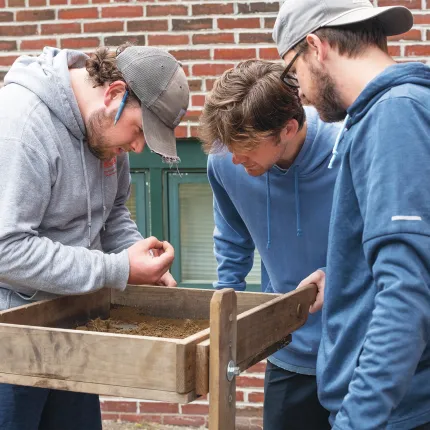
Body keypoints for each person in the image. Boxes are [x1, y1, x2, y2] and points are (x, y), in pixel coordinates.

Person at [0, 44, 189, 429]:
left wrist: (139, 259)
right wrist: (119, 268)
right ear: (115, 93)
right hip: (11, 342)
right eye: (139, 131)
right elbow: (7, 250)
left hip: (73, 326)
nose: (137, 148)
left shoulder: (103, 132)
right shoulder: (22, 127)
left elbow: (113, 212)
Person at [273, 1, 430, 429]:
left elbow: (407, 292)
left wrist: (356, 422)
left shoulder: (395, 114)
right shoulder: (393, 112)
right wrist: (344, 274)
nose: (299, 91)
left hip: (395, 414)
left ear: (316, 47)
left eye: (293, 73)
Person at [198, 59, 341, 430]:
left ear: (288, 128)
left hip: (355, 350)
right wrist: (224, 313)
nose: (235, 158)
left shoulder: (350, 150)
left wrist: (338, 273)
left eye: (245, 146)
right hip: (287, 349)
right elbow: (232, 237)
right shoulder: (226, 163)